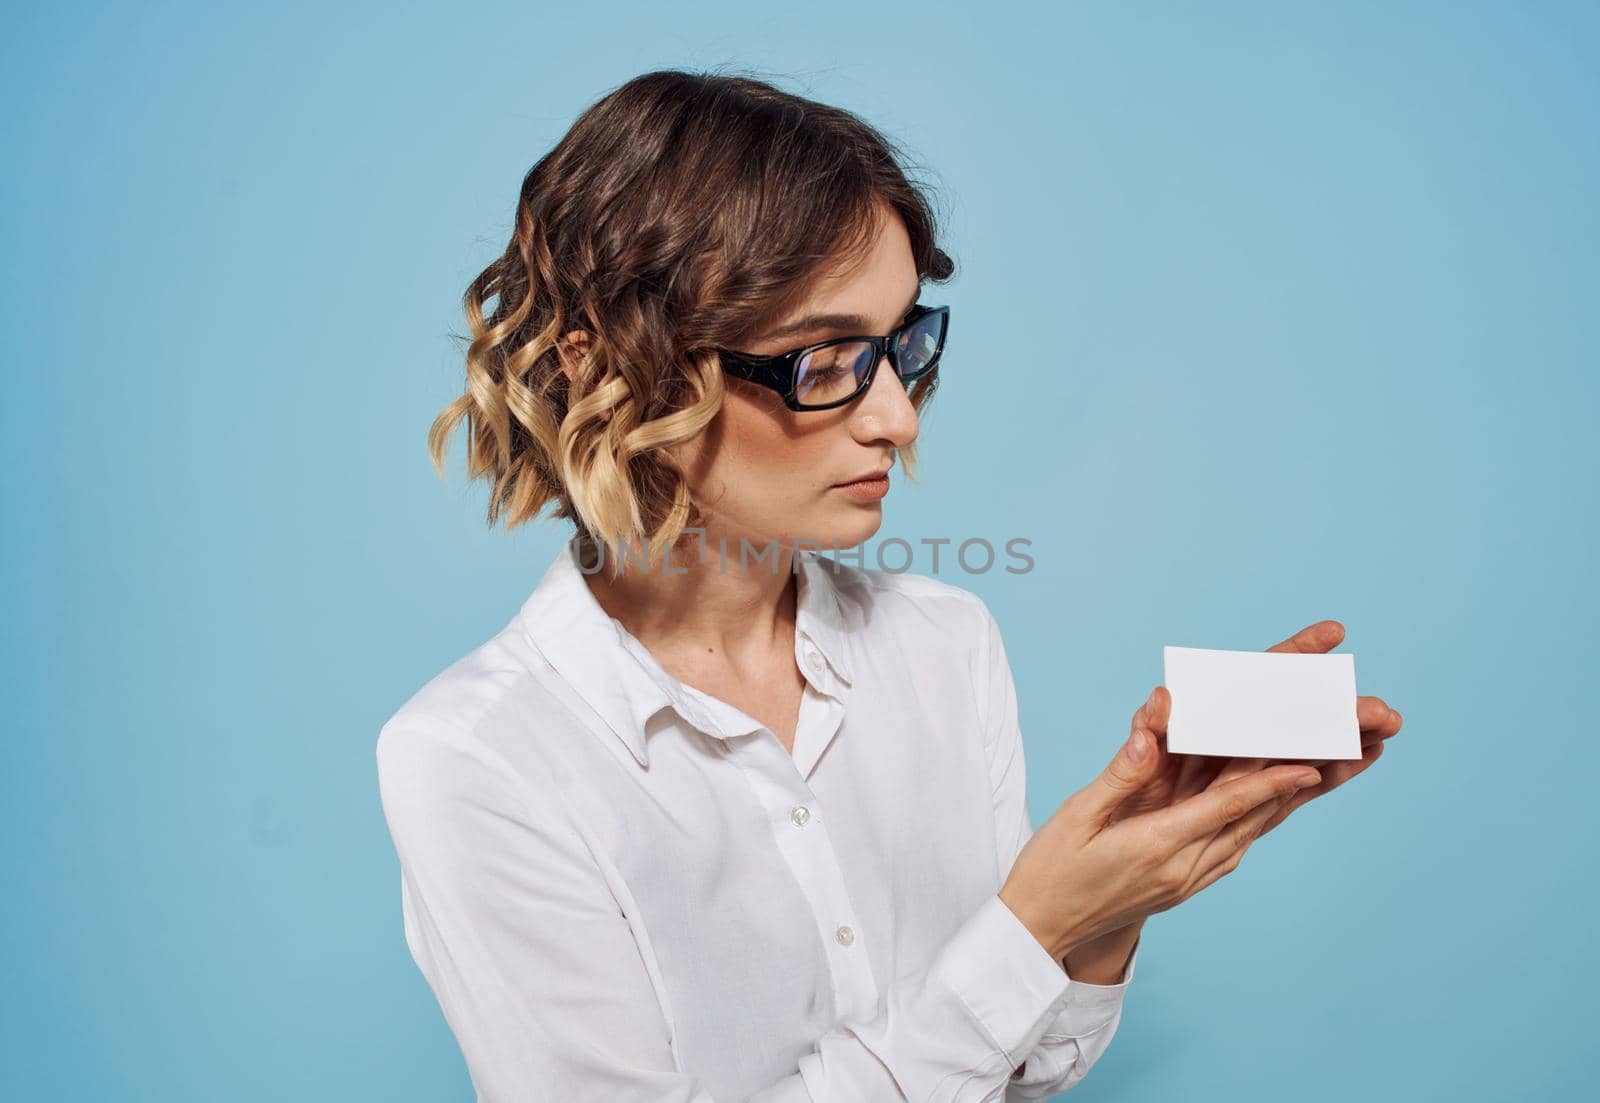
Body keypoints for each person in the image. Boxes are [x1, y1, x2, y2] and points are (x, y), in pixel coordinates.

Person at [375, 69, 1402, 1102]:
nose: (895, 418)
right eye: (820, 360)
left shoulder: (942, 639)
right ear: (610, 367)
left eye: (899, 345)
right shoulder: (479, 759)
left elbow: (1024, 1073)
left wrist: (1111, 892)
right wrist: (1030, 923)